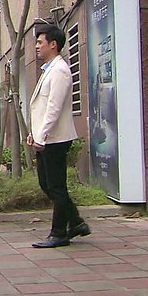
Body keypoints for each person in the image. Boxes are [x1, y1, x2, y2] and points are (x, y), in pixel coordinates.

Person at [26, 25, 90, 248]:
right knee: (47, 184)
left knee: (56, 187)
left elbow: (54, 108)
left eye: (40, 42)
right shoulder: (49, 69)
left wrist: (41, 136)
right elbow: (42, 108)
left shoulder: (60, 70)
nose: (36, 46)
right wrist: (34, 134)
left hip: (55, 139)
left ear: (53, 44)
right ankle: (76, 222)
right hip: (46, 138)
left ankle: (59, 233)